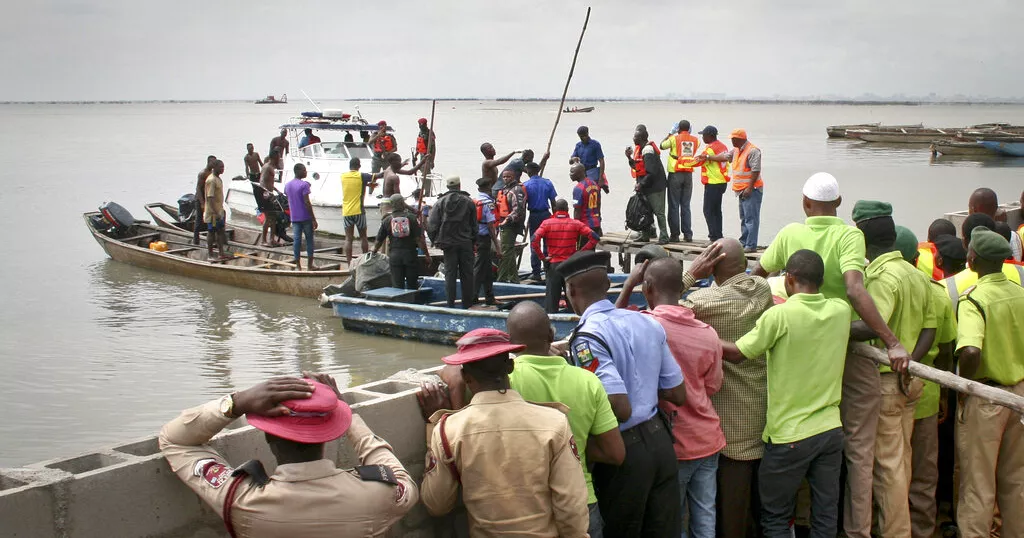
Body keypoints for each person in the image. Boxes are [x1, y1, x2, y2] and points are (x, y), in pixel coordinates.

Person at [752, 172, 911, 538]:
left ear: (804, 203)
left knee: (802, 427)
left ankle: (801, 520)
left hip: (800, 349)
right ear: (839, 205)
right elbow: (855, 290)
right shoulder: (848, 234)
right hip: (847, 346)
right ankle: (855, 530)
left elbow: (757, 277)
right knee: (856, 446)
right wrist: (891, 342)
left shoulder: (790, 233)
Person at [159, 373, 417, 537]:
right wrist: (347, 415)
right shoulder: (381, 493)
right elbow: (398, 475)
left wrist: (236, 402)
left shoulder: (239, 498)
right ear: (331, 433)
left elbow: (176, 441)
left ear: (268, 435)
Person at [721, 249, 850, 538]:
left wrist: (699, 333)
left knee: (776, 517)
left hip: (788, 436)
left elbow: (738, 353)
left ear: (789, 279)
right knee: (825, 514)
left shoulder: (779, 315)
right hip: (830, 431)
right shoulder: (840, 311)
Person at [417, 328, 590, 536]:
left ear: (466, 377)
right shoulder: (554, 423)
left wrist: (433, 426)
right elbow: (571, 506)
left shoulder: (447, 431)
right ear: (510, 366)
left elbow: (436, 504)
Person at [562, 250, 687, 536]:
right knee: (663, 529)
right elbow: (678, 393)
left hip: (625, 452)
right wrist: (640, 381)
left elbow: (620, 408)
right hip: (661, 442)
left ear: (570, 290)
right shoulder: (646, 322)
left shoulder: (586, 339)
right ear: (608, 285)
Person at [617, 257, 725, 538]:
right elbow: (712, 386)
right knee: (705, 516)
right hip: (708, 438)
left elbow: (606, 329)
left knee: (669, 520)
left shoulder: (643, 325)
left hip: (671, 443)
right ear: (682, 289)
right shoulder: (708, 333)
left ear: (647, 287)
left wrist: (628, 285)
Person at [847, 202, 936, 537]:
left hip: (885, 383)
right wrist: (910, 361)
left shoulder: (882, 278)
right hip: (909, 381)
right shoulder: (916, 274)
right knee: (903, 459)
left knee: (888, 467)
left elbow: (872, 325)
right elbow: (930, 328)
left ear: (861, 235)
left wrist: (827, 323)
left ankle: (895, 532)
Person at [679, 238, 773, 538]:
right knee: (758, 498)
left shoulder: (703, 302)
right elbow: (754, 280)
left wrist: (690, 275)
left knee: (731, 501)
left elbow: (662, 308)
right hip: (760, 407)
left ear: (711, 264)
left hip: (728, 416)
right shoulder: (763, 291)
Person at [951, 227, 1024, 537]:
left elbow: (969, 350)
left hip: (987, 396)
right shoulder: (1020, 293)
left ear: (973, 260)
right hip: (1019, 396)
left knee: (978, 482)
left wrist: (967, 389)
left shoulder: (974, 301)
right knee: (1016, 480)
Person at [894, 227, 958, 538]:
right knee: (924, 470)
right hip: (928, 390)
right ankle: (922, 529)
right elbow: (946, 349)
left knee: (891, 467)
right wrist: (945, 392)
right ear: (916, 257)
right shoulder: (936, 292)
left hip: (891, 389)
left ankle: (890, 526)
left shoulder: (878, 288)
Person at [698, 129, 762, 252]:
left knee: (751, 218)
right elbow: (724, 157)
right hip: (740, 190)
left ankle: (751, 245)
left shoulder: (753, 150)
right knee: (744, 218)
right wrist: (707, 157)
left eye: (734, 139)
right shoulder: (736, 150)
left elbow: (756, 170)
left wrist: (749, 187)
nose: (731, 141)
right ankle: (744, 242)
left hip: (751, 189)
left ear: (741, 139)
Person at [532, 199, 599, 312]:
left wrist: (542, 258)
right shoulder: (575, 224)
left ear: (555, 209)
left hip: (554, 265)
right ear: (568, 209)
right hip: (570, 266)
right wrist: (580, 252)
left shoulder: (547, 223)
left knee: (551, 302)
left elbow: (534, 240)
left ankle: (552, 323)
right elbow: (595, 238)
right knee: (573, 299)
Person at [427, 176, 477, 308]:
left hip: (448, 244)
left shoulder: (440, 202)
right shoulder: (469, 201)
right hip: (466, 242)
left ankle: (450, 304)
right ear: (459, 186)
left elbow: (431, 225)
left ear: (448, 187)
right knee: (467, 273)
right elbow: (474, 225)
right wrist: (473, 241)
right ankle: (467, 304)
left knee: (450, 274)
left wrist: (435, 241)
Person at [373, 194, 430, 290]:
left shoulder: (387, 220)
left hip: (395, 256)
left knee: (397, 287)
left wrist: (373, 252)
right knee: (412, 285)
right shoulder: (412, 218)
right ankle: (412, 303)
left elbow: (378, 241)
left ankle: (399, 302)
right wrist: (427, 255)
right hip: (410, 255)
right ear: (403, 204)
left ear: (391, 205)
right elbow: (419, 240)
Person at [627, 127, 670, 244]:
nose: (633, 138)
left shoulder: (648, 151)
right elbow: (638, 168)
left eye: (635, 137)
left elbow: (652, 172)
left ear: (641, 138)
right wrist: (629, 157)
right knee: (645, 211)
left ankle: (664, 236)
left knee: (659, 212)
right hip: (646, 186)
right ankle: (645, 235)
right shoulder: (640, 149)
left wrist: (641, 184)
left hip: (656, 187)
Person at [660, 120, 701, 243]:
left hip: (675, 172)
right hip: (688, 173)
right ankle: (688, 234)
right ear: (689, 129)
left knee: (673, 205)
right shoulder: (696, 140)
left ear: (678, 128)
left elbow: (661, 146)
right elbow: (693, 147)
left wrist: (670, 133)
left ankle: (675, 235)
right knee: (686, 205)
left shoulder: (674, 139)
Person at [341, 157, 381, 267]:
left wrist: (366, 185)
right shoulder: (361, 176)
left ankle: (349, 264)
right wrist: (389, 168)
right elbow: (378, 175)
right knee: (363, 237)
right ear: (359, 166)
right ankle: (364, 261)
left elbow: (354, 185)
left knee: (348, 238)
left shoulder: (343, 176)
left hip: (346, 211)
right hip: (359, 211)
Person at [696, 126, 731, 245]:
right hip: (722, 182)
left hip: (713, 183)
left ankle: (713, 238)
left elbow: (698, 161)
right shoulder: (723, 146)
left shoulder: (710, 149)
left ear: (710, 136)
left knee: (708, 210)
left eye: (704, 135)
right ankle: (719, 236)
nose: (702, 137)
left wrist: (682, 161)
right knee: (717, 211)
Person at [524, 160, 558, 279]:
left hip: (534, 216)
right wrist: (555, 218)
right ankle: (548, 270)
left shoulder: (526, 185)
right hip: (546, 215)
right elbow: (554, 203)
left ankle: (536, 272)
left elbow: (523, 205)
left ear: (529, 171)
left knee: (535, 242)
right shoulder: (547, 183)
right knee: (548, 243)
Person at [473, 177, 502, 304]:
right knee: (479, 269)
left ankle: (489, 297)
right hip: (484, 239)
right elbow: (491, 226)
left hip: (476, 237)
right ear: (488, 188)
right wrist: (497, 246)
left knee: (487, 269)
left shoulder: (475, 200)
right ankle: (472, 297)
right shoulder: (488, 203)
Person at [496, 168, 528, 283]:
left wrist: (508, 219)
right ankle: (514, 278)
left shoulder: (516, 190)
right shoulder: (504, 190)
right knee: (508, 250)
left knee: (506, 251)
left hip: (511, 225)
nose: (506, 179)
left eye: (508, 177)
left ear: (513, 177)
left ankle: (501, 279)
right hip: (503, 223)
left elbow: (518, 209)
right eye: (504, 177)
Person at [284, 164, 317, 270]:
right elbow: (307, 202)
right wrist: (313, 219)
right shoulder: (304, 185)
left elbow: (287, 194)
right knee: (309, 240)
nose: (306, 172)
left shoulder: (287, 185)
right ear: (299, 171)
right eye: (304, 170)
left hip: (294, 218)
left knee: (297, 241)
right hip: (305, 217)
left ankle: (298, 266)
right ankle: (309, 265)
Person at [570, 126, 608, 192]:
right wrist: (573, 159)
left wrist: (601, 177)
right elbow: (571, 161)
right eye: (581, 137)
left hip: (592, 173)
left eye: (584, 136)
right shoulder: (578, 146)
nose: (583, 138)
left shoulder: (595, 144)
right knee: (583, 192)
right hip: (582, 173)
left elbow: (601, 161)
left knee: (594, 191)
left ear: (587, 133)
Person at [204, 159, 228, 261]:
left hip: (219, 210)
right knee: (211, 232)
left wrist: (220, 211)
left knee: (220, 231)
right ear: (215, 167)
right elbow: (210, 198)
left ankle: (221, 253)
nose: (223, 169)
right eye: (221, 167)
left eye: (223, 167)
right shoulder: (211, 180)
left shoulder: (218, 179)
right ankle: (210, 255)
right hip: (213, 212)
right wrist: (215, 212)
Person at [259, 150, 282, 247]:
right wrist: (266, 193)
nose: (279, 159)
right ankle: (263, 240)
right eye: (278, 157)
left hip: (270, 194)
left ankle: (272, 239)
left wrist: (276, 190)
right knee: (268, 218)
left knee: (274, 217)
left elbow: (270, 181)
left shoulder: (272, 167)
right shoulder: (267, 167)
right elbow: (262, 181)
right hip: (266, 195)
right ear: (273, 157)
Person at [193, 155, 216, 245]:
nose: (214, 164)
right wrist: (202, 203)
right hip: (200, 199)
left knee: (210, 220)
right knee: (198, 220)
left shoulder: (212, 172)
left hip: (208, 199)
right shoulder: (203, 173)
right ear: (209, 163)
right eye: (213, 163)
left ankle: (211, 240)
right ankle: (196, 241)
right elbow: (198, 189)